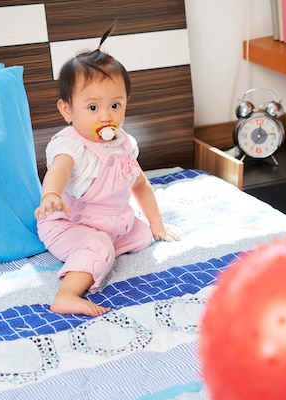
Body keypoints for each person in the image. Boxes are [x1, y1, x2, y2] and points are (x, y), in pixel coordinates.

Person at [34, 25, 178, 317]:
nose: (106, 116)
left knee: (142, 234)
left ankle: (103, 251)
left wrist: (157, 222)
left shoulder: (124, 143)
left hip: (110, 221)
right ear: (67, 110)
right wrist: (51, 194)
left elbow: (140, 184)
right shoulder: (71, 145)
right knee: (98, 245)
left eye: (115, 104)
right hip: (68, 224)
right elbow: (59, 170)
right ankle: (67, 294)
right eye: (92, 108)